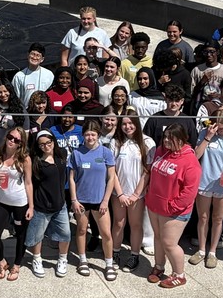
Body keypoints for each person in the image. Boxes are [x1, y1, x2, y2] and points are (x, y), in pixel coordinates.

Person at [146, 124, 201, 289]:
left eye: (172, 138)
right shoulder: (160, 151)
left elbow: (190, 192)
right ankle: (159, 266)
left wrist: (173, 206)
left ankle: (179, 274)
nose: (167, 141)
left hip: (174, 211)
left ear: (182, 139)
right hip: (155, 204)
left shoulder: (190, 161)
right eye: (165, 137)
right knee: (158, 237)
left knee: (169, 243)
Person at [190, 111, 223, 269]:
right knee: (203, 218)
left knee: (218, 218)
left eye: (221, 128)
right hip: (205, 181)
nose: (218, 131)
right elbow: (195, 156)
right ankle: (201, 249)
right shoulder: (205, 134)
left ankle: (212, 251)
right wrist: (208, 137)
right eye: (216, 127)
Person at [68, 118, 117, 280]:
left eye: (93, 134)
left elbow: (111, 178)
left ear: (98, 135)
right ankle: (83, 260)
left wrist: (105, 201)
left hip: (99, 201)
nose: (90, 138)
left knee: (106, 233)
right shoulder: (76, 153)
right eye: (87, 134)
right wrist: (74, 200)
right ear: (83, 136)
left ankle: (109, 263)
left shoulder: (105, 153)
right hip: (82, 200)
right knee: (81, 230)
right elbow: (72, 179)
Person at [0, 126, 34, 281]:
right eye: (10, 137)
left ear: (21, 143)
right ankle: (1, 261)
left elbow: (28, 183)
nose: (11, 141)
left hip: (20, 202)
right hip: (2, 201)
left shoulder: (24, 158)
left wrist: (31, 207)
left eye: (16, 140)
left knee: (21, 235)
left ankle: (17, 265)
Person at [24, 130, 72, 278]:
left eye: (48, 143)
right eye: (42, 144)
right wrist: (31, 206)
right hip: (42, 205)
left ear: (53, 141)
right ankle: (37, 259)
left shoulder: (61, 154)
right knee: (37, 236)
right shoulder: (36, 161)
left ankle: (63, 259)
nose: (46, 146)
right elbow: (29, 183)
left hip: (60, 204)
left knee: (65, 234)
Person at [110, 110, 154, 272]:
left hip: (137, 193)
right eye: (124, 124)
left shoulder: (148, 142)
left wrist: (136, 194)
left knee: (136, 225)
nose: (128, 127)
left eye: (131, 123)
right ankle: (115, 253)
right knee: (118, 223)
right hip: (119, 193)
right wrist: (120, 193)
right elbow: (112, 170)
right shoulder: (115, 143)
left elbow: (147, 171)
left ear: (136, 123)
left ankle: (134, 254)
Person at [11, 43, 54, 108]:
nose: (34, 57)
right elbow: (16, 97)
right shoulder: (18, 76)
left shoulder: (49, 74)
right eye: (33, 54)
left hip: (43, 111)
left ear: (42, 59)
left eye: (38, 55)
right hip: (26, 112)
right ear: (28, 55)